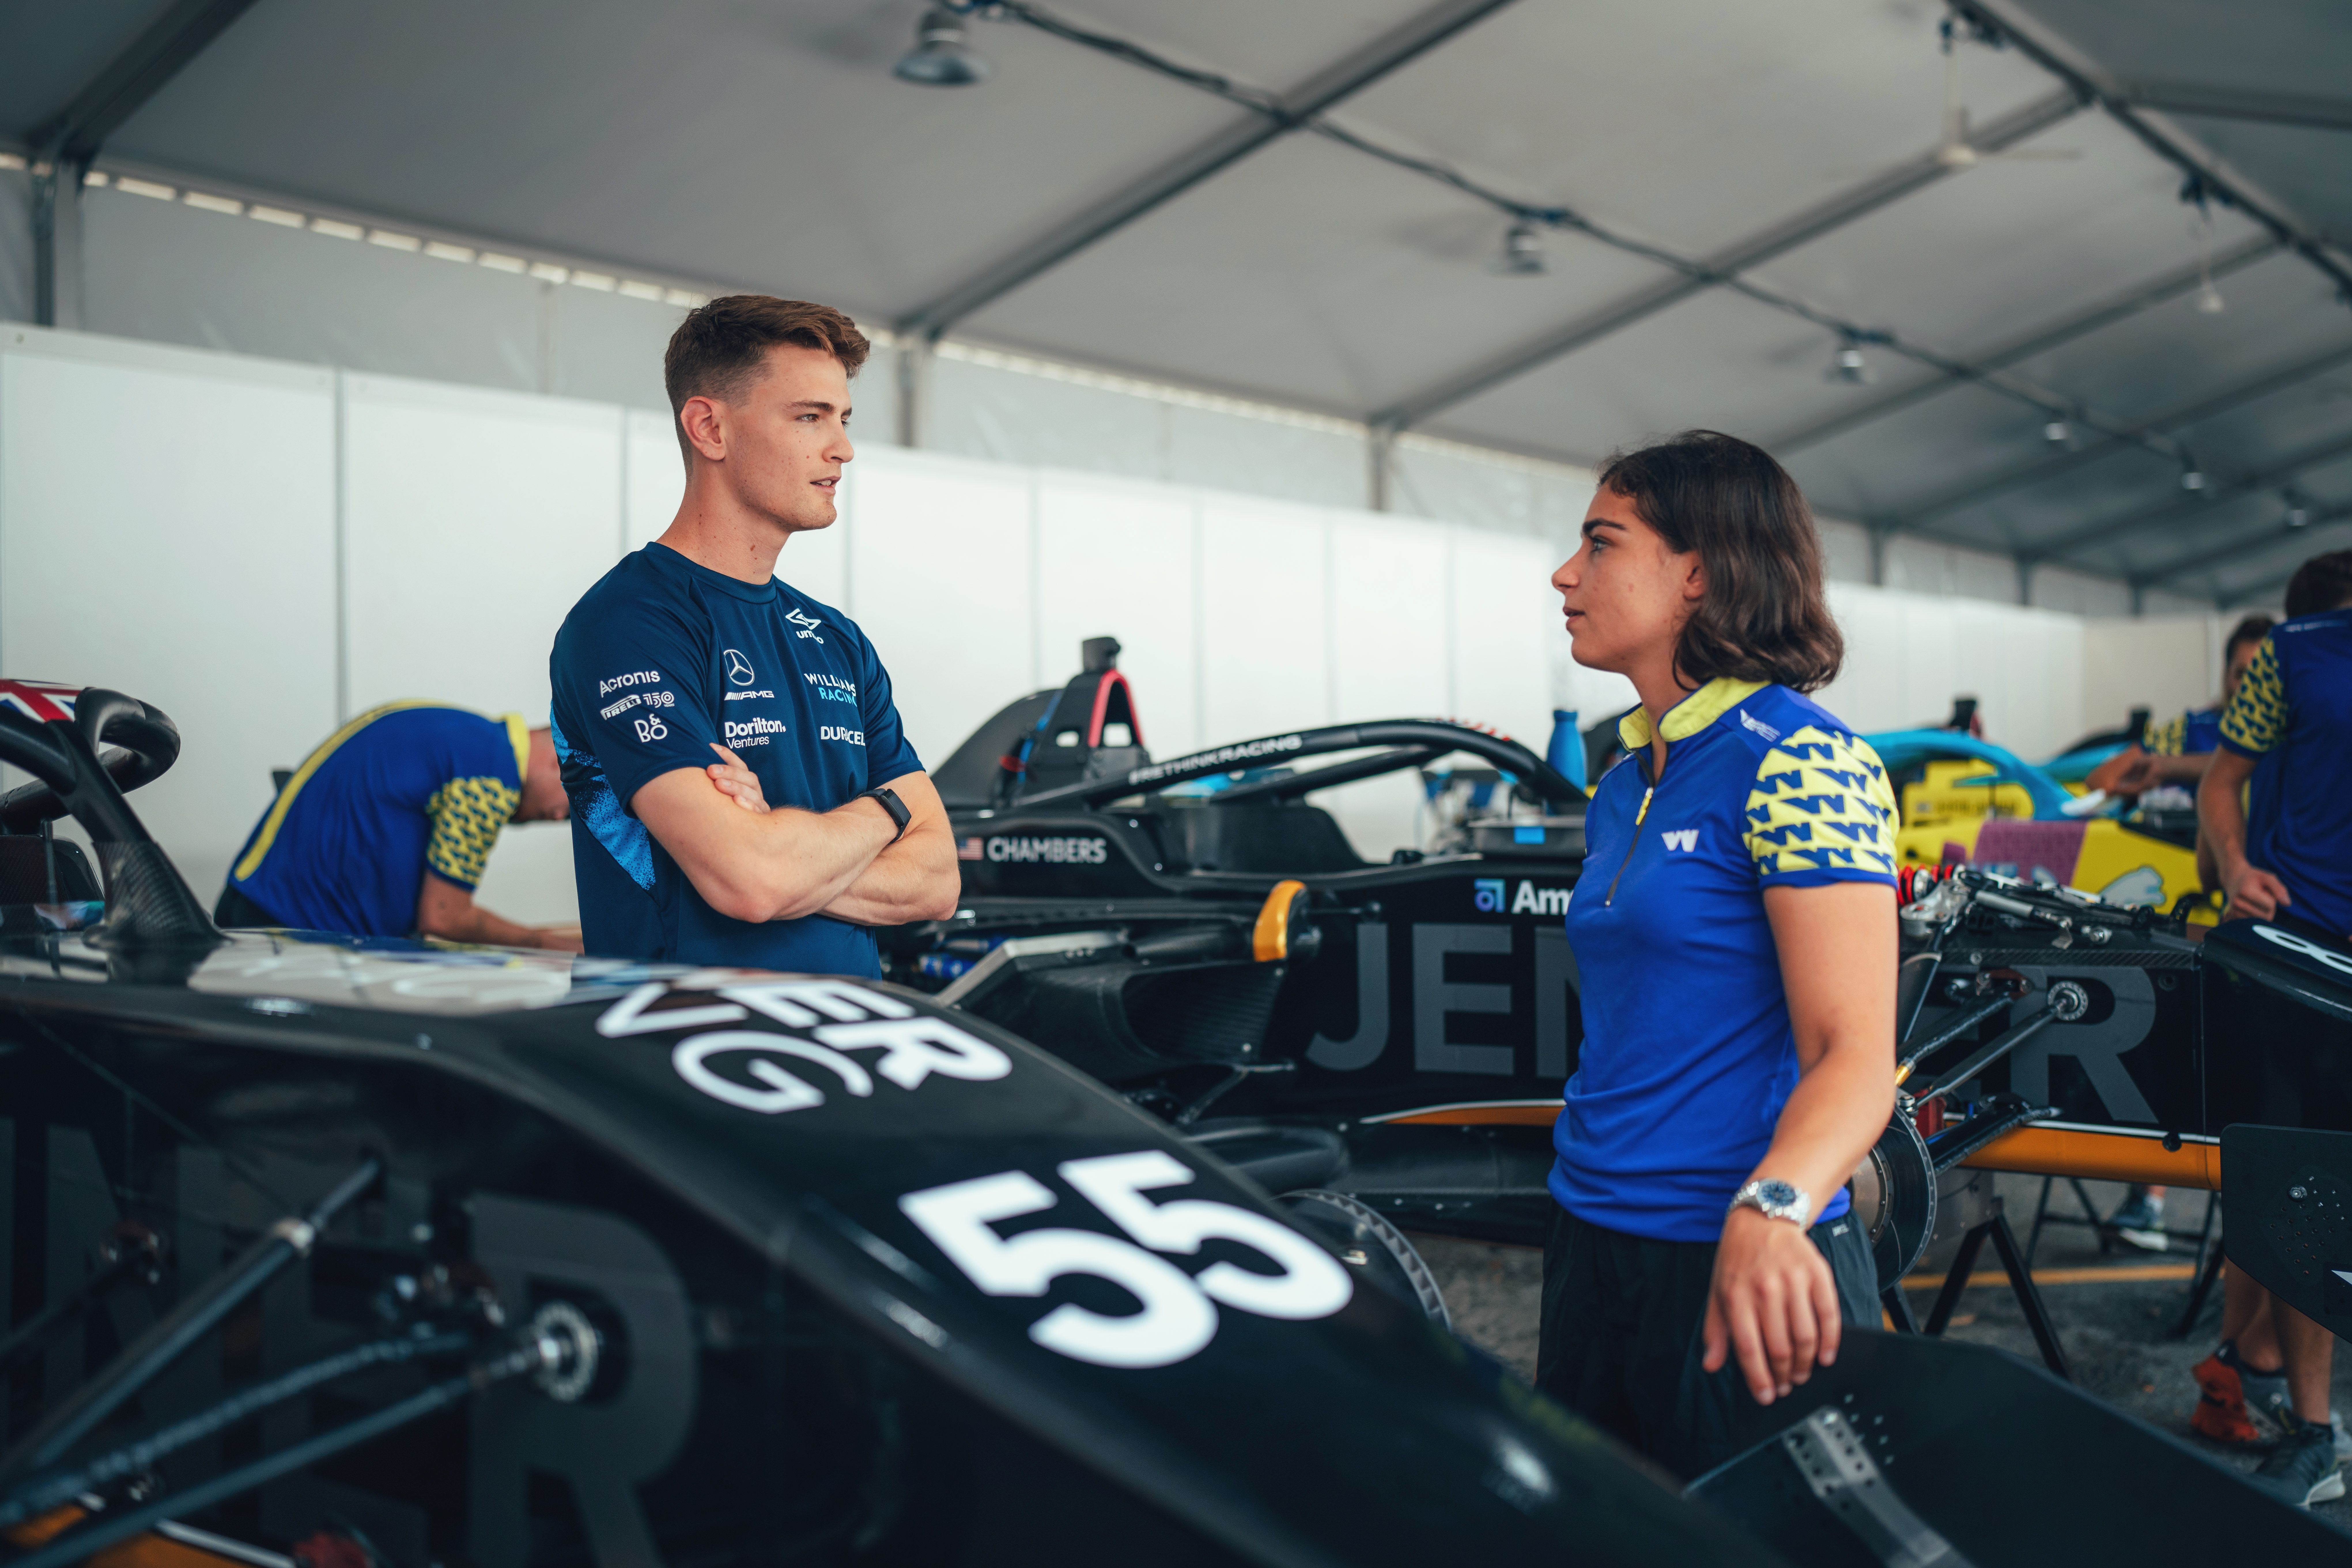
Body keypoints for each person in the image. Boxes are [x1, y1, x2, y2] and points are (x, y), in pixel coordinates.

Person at [1536, 430, 1897, 1478]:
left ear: (1699, 572)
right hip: (1592, 1234)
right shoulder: (1623, 777)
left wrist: (1772, 1205)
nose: (1566, 574)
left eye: (1600, 544)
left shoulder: (1802, 759)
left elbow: (1853, 1055)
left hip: (1745, 1252)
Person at [548, 296, 958, 971]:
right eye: (809, 417)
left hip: (851, 1047)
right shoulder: (628, 623)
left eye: (844, 419)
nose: (844, 449)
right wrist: (886, 809)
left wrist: (778, 844)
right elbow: (752, 881)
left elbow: (937, 880)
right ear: (710, 428)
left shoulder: (837, 638)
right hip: (688, 1056)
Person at [2190, 548, 2352, 1506]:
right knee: (2304, 1183)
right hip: (2300, 953)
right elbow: (2219, 780)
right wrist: (2236, 862)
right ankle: (2313, 1426)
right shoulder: (2290, 654)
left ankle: (2249, 1344)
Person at [2086, 611, 2272, 1252]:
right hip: (2184, 922)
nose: (2248, 683)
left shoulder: (2290, 734)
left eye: (2260, 671)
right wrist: (2146, 768)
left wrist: (2174, 769)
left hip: (2266, 928)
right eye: (2239, 671)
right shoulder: (2190, 728)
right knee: (2170, 1040)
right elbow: (2107, 776)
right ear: (2224, 672)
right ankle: (2150, 1203)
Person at [218, 704, 580, 948]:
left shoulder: (466, 735)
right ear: (557, 762)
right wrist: (546, 944)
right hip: (287, 933)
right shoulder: (490, 777)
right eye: (574, 805)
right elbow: (443, 918)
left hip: (261, 909)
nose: (560, 818)